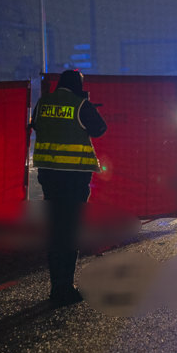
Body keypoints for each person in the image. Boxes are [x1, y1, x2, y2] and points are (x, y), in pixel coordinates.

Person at [31, 70, 107, 306]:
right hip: (73, 178)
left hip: (49, 176)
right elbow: (99, 129)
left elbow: (37, 126)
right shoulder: (80, 104)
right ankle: (65, 288)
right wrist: (86, 102)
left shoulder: (43, 103)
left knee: (56, 230)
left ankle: (57, 285)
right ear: (78, 86)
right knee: (70, 230)